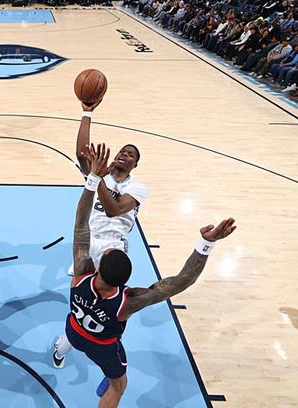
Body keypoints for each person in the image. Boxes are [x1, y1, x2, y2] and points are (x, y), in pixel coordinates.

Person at [52, 143, 236, 407]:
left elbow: (80, 224)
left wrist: (93, 179)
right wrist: (206, 243)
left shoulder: (81, 273)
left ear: (98, 266)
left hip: (75, 329)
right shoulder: (128, 302)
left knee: (71, 336)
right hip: (102, 345)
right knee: (119, 385)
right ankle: (104, 374)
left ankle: (59, 351)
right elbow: (181, 281)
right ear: (124, 283)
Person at [67, 98, 148, 276]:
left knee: (107, 284)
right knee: (80, 284)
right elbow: (81, 154)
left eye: (130, 155)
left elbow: (114, 210)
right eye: (122, 152)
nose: (124, 155)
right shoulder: (99, 173)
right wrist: (87, 112)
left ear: (135, 165)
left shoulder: (138, 187)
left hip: (113, 245)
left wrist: (97, 177)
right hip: (88, 238)